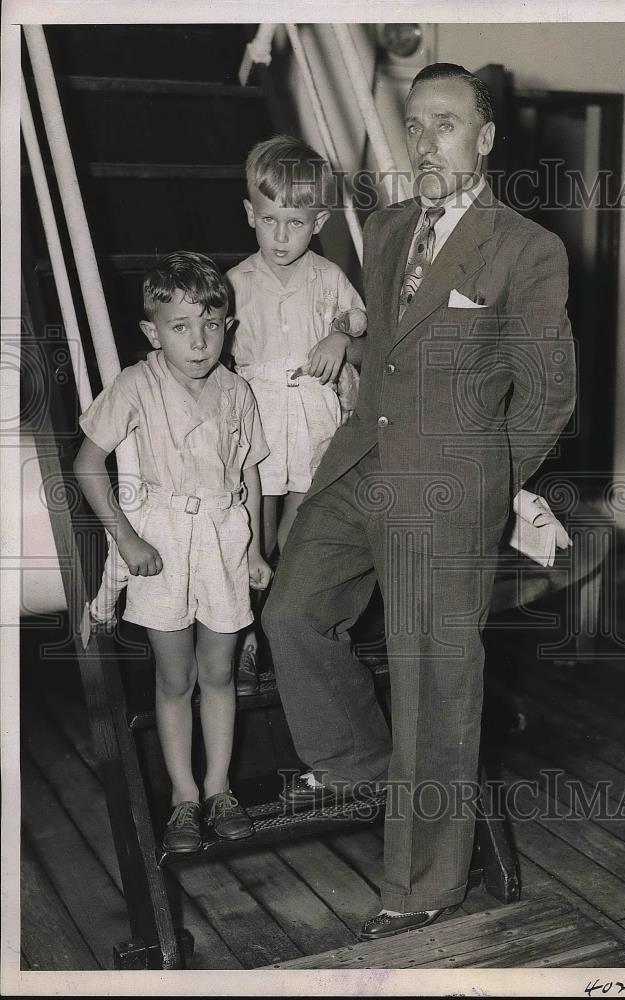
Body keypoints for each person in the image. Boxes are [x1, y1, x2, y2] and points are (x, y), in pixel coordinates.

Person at [261, 63, 577, 940]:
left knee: (435, 676)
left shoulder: (525, 247)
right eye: (413, 123)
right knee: (291, 612)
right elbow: (385, 350)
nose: (424, 139)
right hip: (363, 460)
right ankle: (367, 764)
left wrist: (483, 485)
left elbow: (549, 395)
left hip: (450, 483)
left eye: (445, 123)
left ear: (483, 138)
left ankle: (425, 881)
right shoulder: (388, 227)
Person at [74, 252, 272, 853]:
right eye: (180, 327)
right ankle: (183, 796)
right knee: (175, 677)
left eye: (211, 324)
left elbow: (252, 476)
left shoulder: (238, 391)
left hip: (222, 538)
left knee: (218, 675)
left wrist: (257, 548)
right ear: (152, 332)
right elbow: (86, 466)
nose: (198, 341)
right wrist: (126, 538)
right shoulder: (138, 383)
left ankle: (219, 788)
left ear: (228, 327)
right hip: (162, 540)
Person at [226, 135, 367, 691]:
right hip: (258, 417)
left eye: (296, 221)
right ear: (250, 215)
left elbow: (358, 321)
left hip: (311, 414)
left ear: (319, 221)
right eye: (269, 220)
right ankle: (247, 634)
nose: (281, 235)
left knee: (301, 533)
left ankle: (289, 630)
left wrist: (336, 334)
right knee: (252, 537)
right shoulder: (234, 283)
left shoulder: (328, 277)